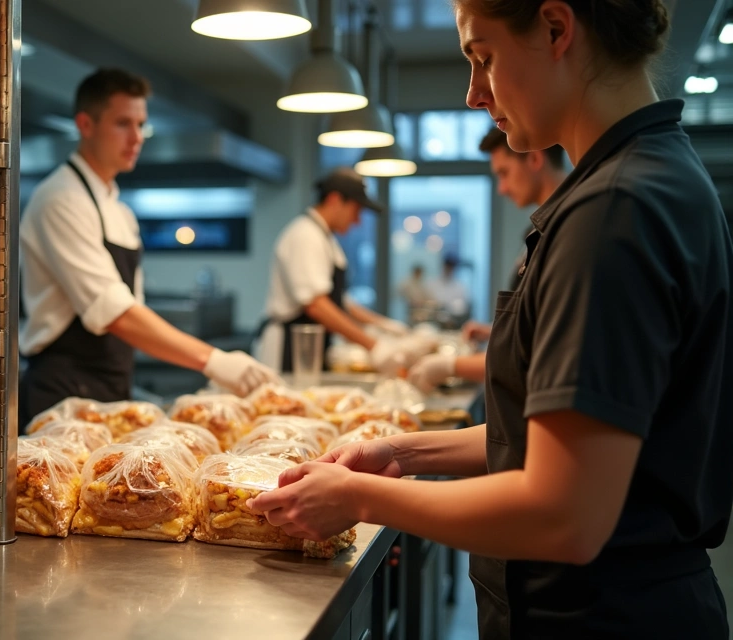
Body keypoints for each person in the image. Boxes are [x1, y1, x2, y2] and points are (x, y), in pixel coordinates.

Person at [251, 2, 733, 638]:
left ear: (558, 28)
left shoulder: (615, 211)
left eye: (484, 59)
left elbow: (563, 513)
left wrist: (362, 499)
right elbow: (553, 445)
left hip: (602, 617)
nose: (474, 94)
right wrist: (396, 451)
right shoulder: (641, 180)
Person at [18, 69, 279, 425]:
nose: (137, 137)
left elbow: (133, 308)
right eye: (123, 123)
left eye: (141, 125)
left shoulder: (120, 211)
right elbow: (116, 312)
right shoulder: (61, 199)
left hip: (110, 388)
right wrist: (213, 360)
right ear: (85, 124)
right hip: (62, 396)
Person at [408, 128, 568, 391]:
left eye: (504, 173)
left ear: (535, 159)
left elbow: (542, 350)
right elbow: (538, 322)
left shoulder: (565, 231)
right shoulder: (537, 231)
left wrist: (450, 366)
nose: (502, 189)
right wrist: (497, 330)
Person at [254, 169, 419, 374]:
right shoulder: (305, 236)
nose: (357, 221)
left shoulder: (325, 239)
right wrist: (372, 345)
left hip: (310, 347)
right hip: (288, 349)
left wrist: (383, 325)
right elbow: (317, 305)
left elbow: (339, 301)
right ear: (334, 199)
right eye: (356, 211)